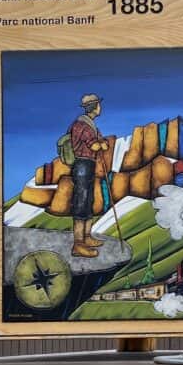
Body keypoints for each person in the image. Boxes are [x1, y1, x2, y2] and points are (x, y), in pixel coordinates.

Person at [69, 93, 109, 258]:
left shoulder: (91, 125)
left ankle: (86, 237)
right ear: (94, 107)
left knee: (88, 201)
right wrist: (101, 145)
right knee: (81, 203)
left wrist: (101, 144)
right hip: (82, 165)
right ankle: (78, 245)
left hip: (89, 165)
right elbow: (95, 146)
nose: (100, 107)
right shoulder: (82, 125)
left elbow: (101, 143)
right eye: (99, 105)